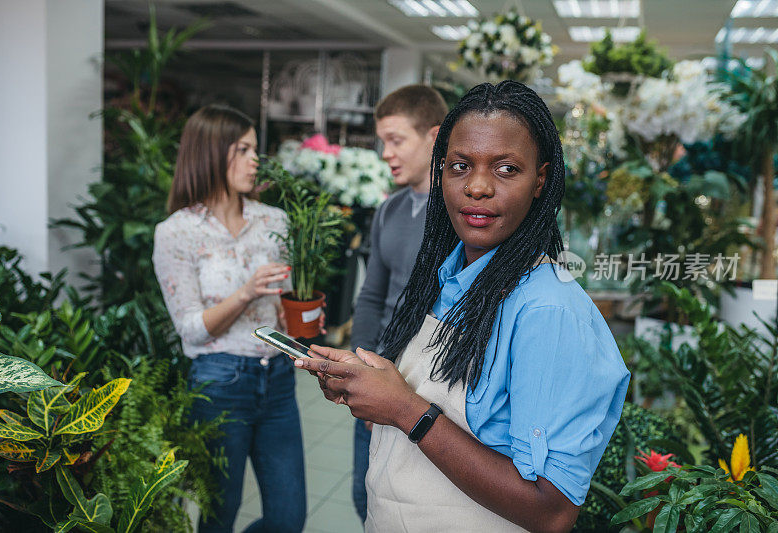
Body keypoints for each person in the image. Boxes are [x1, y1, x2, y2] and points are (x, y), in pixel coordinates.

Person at [295, 81, 630, 532]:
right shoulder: (443, 277)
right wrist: (369, 385)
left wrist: (403, 409)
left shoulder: (548, 311)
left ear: (541, 180)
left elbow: (551, 512)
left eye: (507, 169)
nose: (476, 187)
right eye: (459, 166)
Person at [153, 104, 311, 533]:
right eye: (242, 149)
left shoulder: (273, 220)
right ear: (209, 153)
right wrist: (245, 292)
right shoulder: (177, 232)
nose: (254, 159)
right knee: (219, 515)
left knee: (288, 516)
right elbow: (190, 329)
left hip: (277, 379)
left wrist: (304, 314)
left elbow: (283, 305)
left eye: (255, 149)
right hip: (219, 382)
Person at [349, 84, 448, 523]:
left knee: (415, 506)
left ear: (434, 136)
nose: (386, 153)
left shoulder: (458, 214)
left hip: (424, 384)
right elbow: (371, 297)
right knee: (363, 495)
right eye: (382, 141)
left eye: (396, 140)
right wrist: (359, 367)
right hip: (377, 373)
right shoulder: (388, 211)